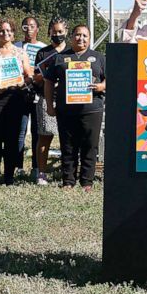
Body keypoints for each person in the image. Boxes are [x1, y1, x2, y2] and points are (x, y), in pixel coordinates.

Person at [46, 24, 105, 190]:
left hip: (92, 109)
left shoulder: (98, 57)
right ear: (71, 37)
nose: (81, 38)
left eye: (85, 36)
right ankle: (68, 181)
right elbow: (49, 82)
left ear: (90, 38)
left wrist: (101, 86)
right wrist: (50, 105)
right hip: (66, 110)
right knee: (68, 145)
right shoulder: (59, 58)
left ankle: (87, 182)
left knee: (90, 146)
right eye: (78, 35)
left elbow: (109, 78)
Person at [0, 19, 33, 185]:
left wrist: (21, 83)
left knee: (12, 138)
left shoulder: (20, 53)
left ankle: (9, 176)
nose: (5, 34)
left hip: (15, 98)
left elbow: (29, 76)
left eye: (9, 31)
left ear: (13, 33)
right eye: (2, 31)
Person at [33, 17, 68, 185]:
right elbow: (35, 77)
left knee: (68, 138)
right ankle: (41, 173)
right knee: (45, 136)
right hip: (46, 99)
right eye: (54, 32)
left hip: (68, 100)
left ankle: (67, 171)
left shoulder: (71, 51)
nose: (57, 34)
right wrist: (44, 75)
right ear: (49, 32)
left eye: (60, 31)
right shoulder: (43, 53)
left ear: (66, 32)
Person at [15, 16, 47, 179]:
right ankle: (18, 166)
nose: (29, 29)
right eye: (25, 26)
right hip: (18, 94)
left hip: (37, 94)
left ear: (37, 29)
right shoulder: (16, 46)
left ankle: (36, 167)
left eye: (32, 26)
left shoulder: (43, 48)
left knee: (37, 131)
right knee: (19, 132)